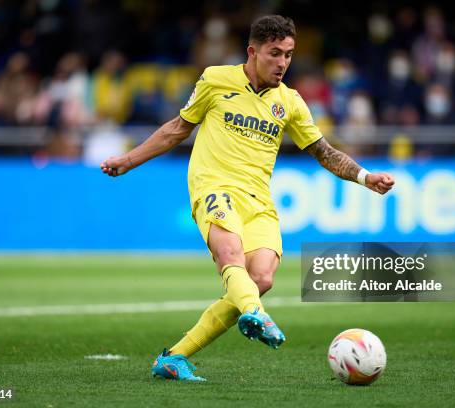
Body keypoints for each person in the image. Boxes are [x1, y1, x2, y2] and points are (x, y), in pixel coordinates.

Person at [100, 15, 395, 382]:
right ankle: (257, 314)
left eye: (288, 54)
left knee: (262, 278)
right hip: (213, 186)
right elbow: (177, 129)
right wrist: (128, 161)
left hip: (258, 199)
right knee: (230, 256)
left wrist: (366, 177)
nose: (283, 63)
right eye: (275, 53)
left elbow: (324, 151)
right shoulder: (215, 80)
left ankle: (175, 357)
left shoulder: (290, 101)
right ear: (253, 52)